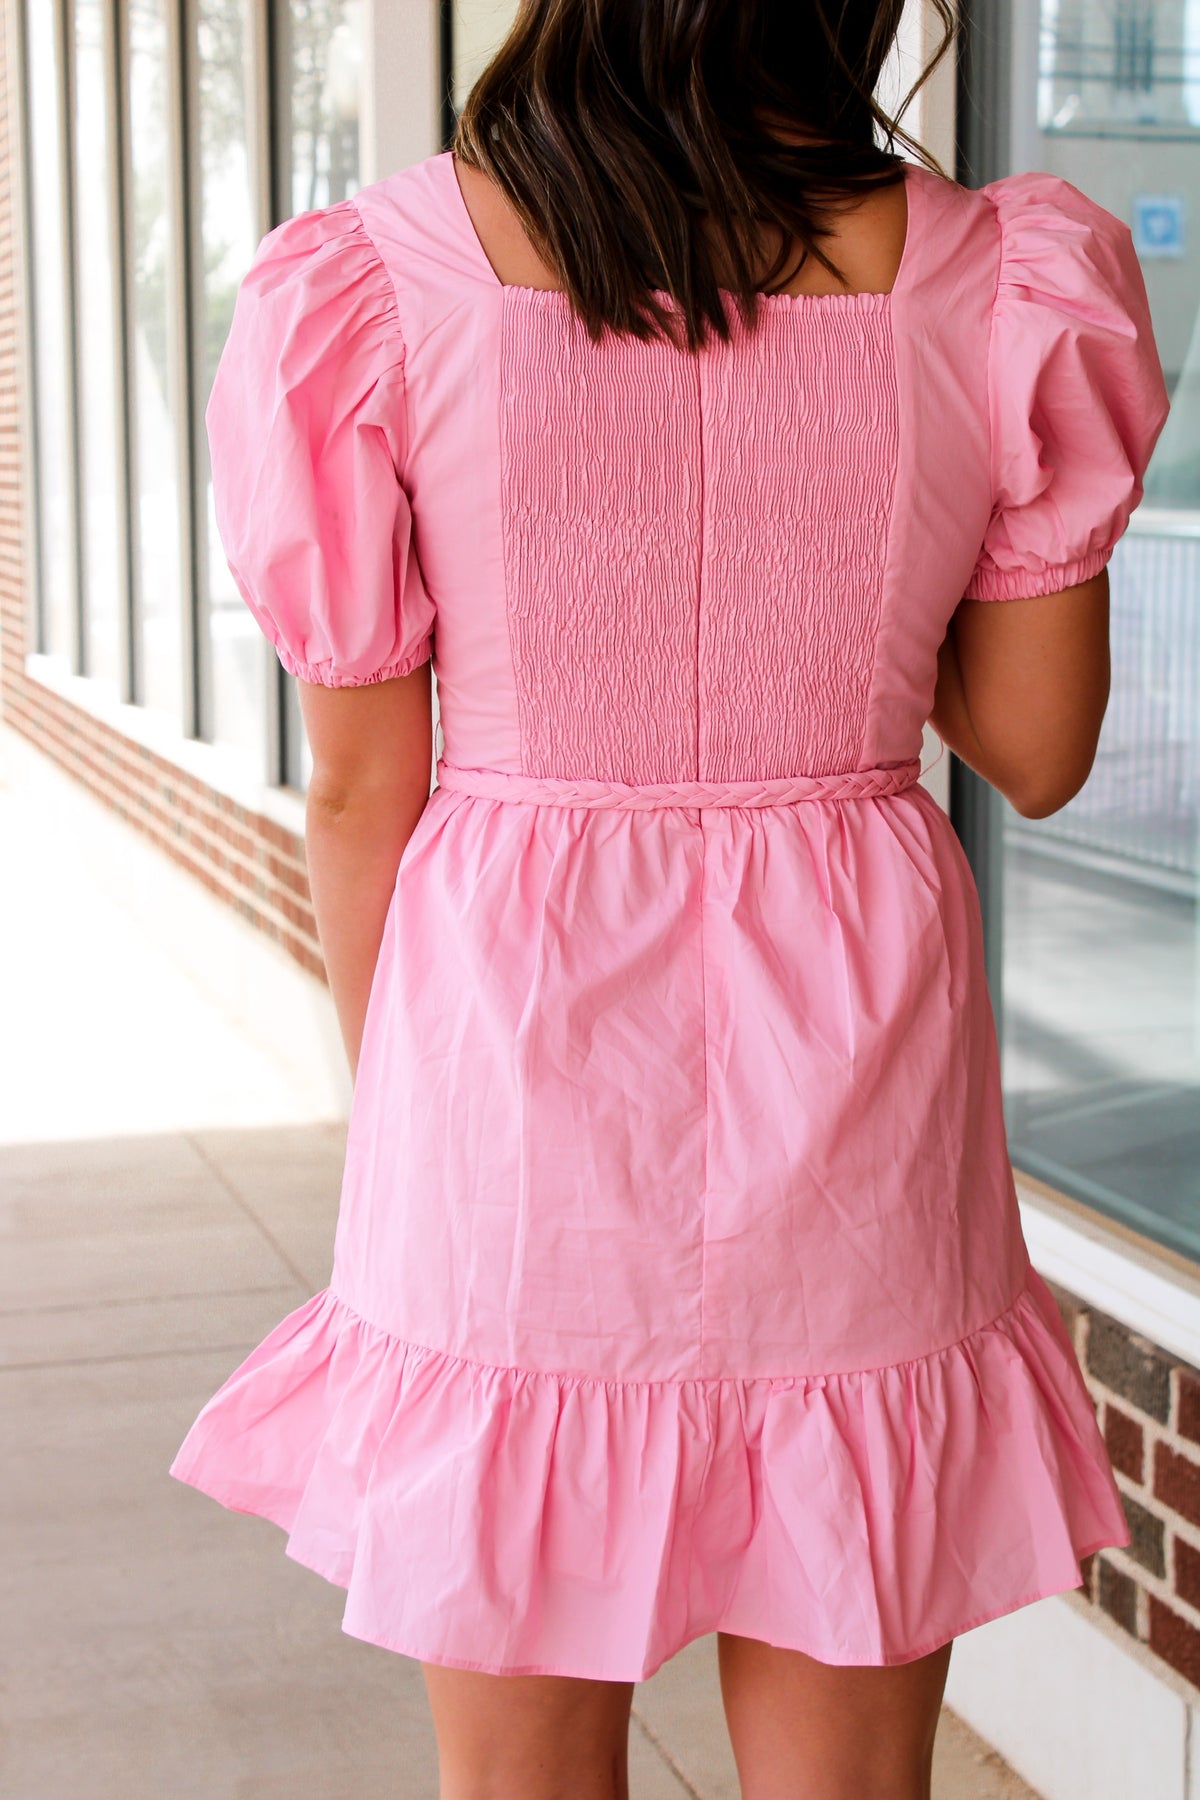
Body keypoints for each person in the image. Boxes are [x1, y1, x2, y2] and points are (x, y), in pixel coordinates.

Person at [169, 3, 1171, 1795]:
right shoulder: (994, 274)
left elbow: (356, 784)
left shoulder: (379, 282)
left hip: (511, 1059)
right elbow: (1034, 743)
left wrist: (398, 1113)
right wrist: (876, 571)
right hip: (857, 1049)